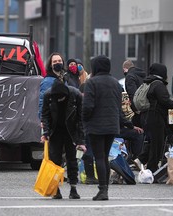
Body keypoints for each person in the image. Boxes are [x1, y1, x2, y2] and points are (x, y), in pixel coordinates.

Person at [82, 55, 122, 201]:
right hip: (112, 125)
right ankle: (105, 189)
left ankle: (102, 190)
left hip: (96, 126)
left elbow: (87, 107)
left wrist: (84, 120)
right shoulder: (116, 83)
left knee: (98, 157)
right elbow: (119, 106)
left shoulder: (92, 82)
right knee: (104, 156)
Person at [133, 63, 173, 173]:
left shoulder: (148, 82)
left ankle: (140, 160)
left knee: (153, 142)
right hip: (155, 117)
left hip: (146, 117)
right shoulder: (158, 84)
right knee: (157, 144)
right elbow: (164, 100)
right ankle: (152, 170)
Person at [41, 79, 86, 199]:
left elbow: (81, 119)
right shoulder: (48, 95)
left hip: (71, 132)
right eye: (58, 98)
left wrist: (81, 141)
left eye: (62, 98)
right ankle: (56, 189)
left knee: (72, 160)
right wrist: (45, 132)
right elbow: (45, 115)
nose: (60, 100)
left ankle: (73, 188)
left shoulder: (75, 95)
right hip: (55, 132)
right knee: (55, 161)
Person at [38, 52, 66, 119]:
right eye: (54, 61)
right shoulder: (47, 81)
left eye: (59, 61)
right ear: (51, 65)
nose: (57, 63)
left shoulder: (64, 79)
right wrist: (42, 119)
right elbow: (42, 101)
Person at [122, 60, 146, 127]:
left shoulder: (129, 77)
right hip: (145, 107)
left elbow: (132, 94)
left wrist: (135, 109)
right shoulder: (143, 75)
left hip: (138, 110)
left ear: (124, 69)